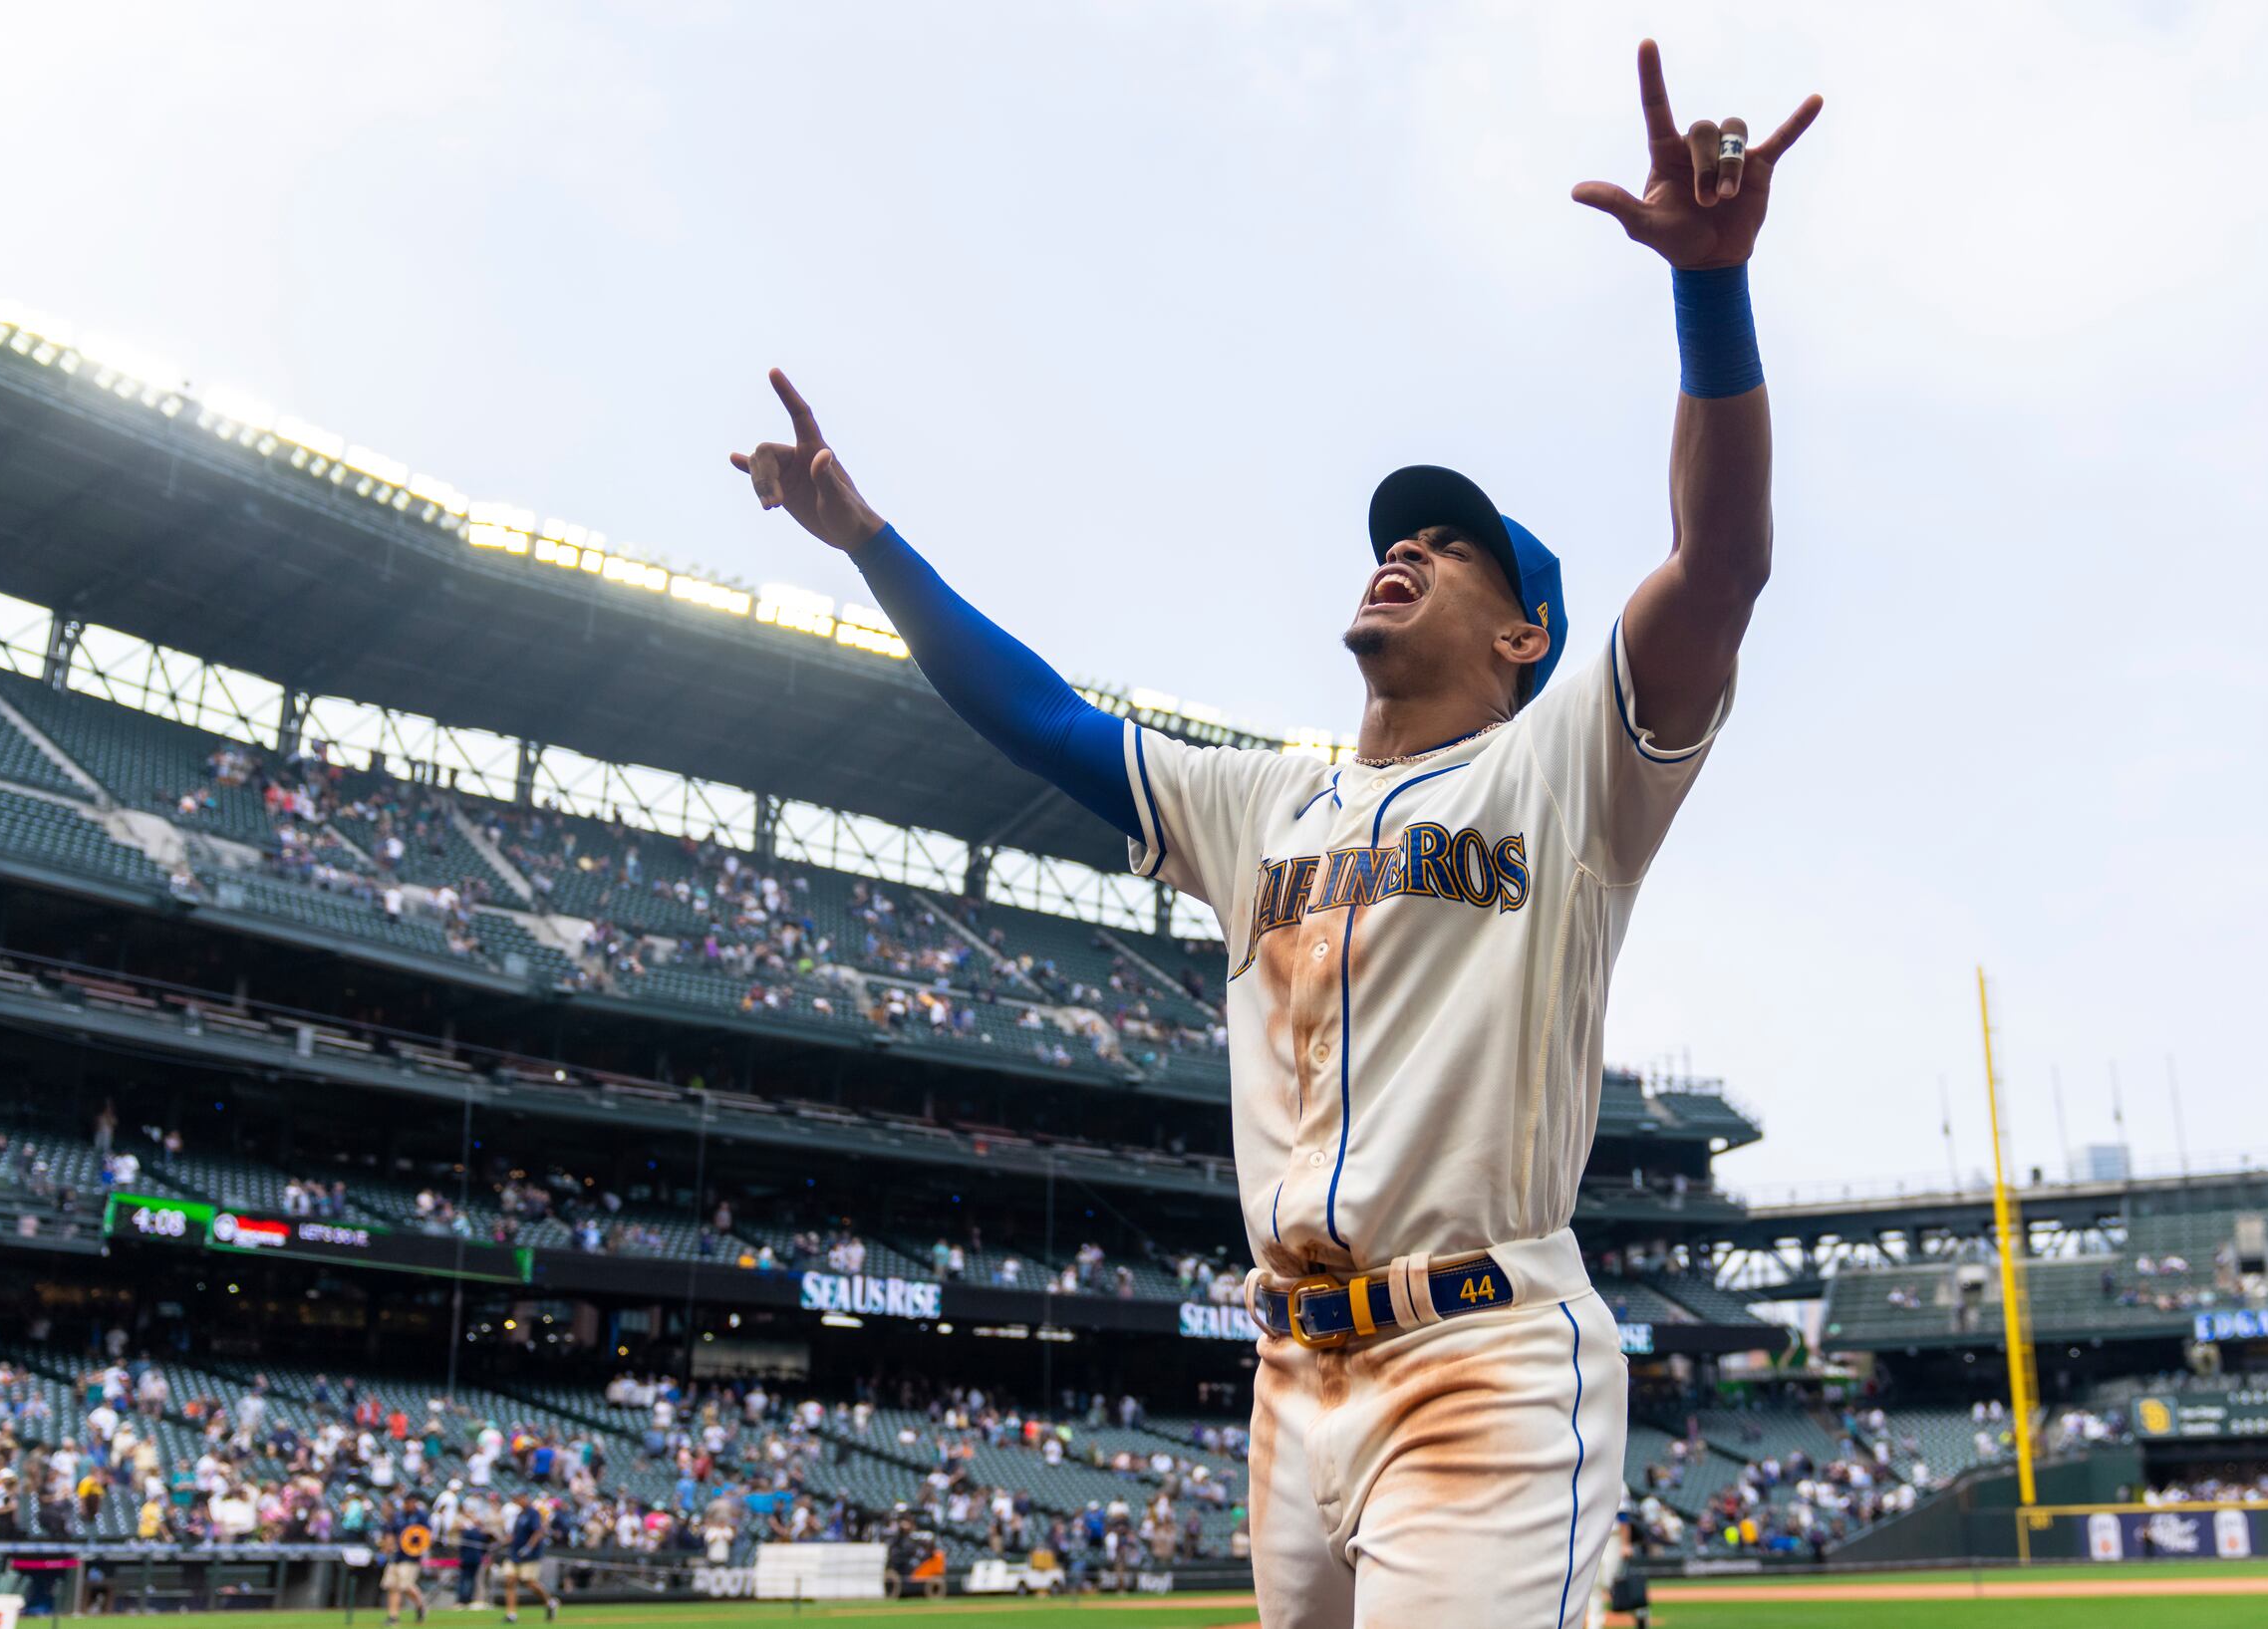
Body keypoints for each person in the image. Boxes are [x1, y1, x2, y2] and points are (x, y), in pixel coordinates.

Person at [729, 38, 1817, 1629]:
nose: (1406, 554)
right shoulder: (1265, 802)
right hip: (1289, 1367)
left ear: (1525, 638)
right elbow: (1036, 716)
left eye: (1451, 550)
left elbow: (1717, 566)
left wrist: (1709, 296)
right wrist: (869, 540)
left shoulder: (1568, 766)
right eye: (1396, 537)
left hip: (1483, 1354)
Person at [500, 1494, 559, 1622]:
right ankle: (511, 1614)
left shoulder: (533, 1513)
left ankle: (549, 1602)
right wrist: (502, 1543)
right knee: (510, 1580)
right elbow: (514, 1535)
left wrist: (529, 1547)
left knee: (529, 1582)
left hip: (530, 1555)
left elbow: (538, 1532)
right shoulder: (519, 1514)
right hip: (514, 1553)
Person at [383, 1492, 433, 1625]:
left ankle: (421, 1605)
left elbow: (426, 1535)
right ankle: (393, 1617)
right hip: (396, 1555)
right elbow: (390, 1532)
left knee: (405, 1586)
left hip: (411, 1556)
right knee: (393, 1586)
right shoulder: (398, 1516)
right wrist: (388, 1546)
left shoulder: (420, 1516)